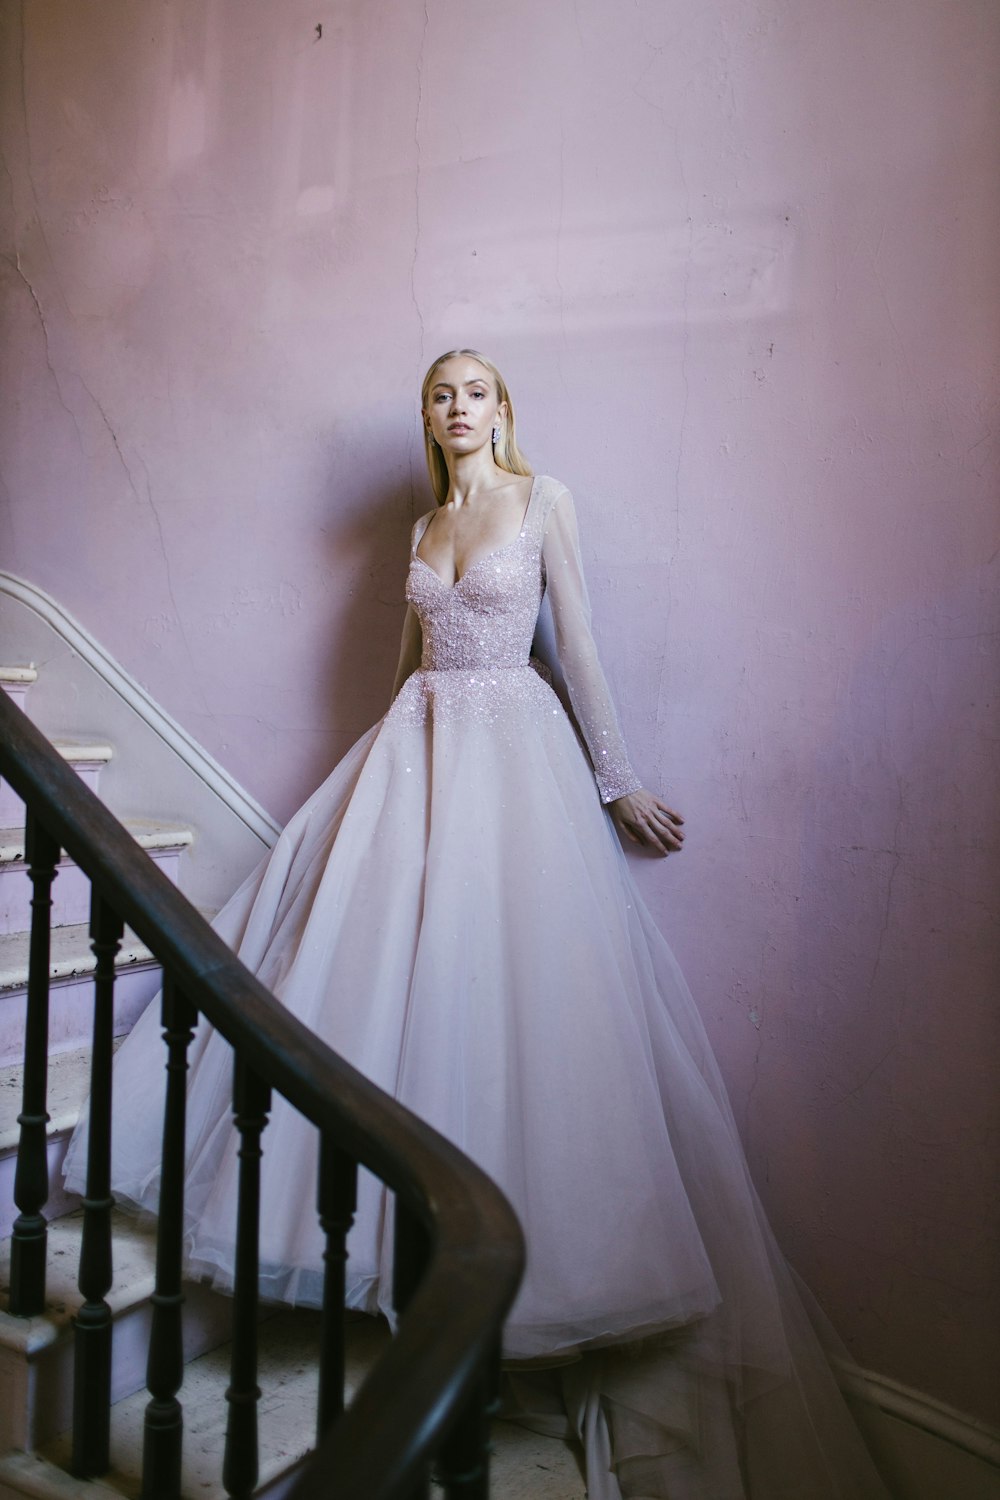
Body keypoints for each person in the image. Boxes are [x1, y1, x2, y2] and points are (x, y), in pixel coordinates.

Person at [65, 350, 890, 1498]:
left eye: (474, 390)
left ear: (504, 409)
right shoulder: (421, 526)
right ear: (431, 416)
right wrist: (368, 781)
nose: (457, 406)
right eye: (439, 394)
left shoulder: (540, 499)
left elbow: (578, 643)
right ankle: (392, 1270)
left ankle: (509, 1297)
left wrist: (617, 782)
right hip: (419, 753)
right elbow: (408, 668)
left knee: (508, 1005)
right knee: (378, 993)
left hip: (514, 760)